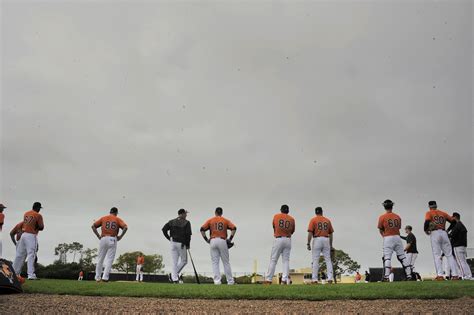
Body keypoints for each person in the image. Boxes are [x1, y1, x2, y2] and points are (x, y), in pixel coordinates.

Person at [377, 200, 412, 281]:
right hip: (397, 237)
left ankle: (386, 277)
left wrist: (384, 237)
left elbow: (381, 230)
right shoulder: (397, 216)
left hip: (388, 237)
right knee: (402, 257)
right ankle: (409, 275)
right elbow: (398, 227)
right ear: (392, 206)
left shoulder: (382, 217)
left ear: (384, 206)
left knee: (387, 258)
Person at [200, 207, 237, 285]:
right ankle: (230, 281)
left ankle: (217, 281)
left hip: (213, 240)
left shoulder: (210, 220)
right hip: (222, 240)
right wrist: (230, 239)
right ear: (221, 213)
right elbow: (234, 228)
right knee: (226, 262)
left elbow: (202, 229)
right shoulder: (225, 220)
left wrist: (206, 239)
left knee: (215, 262)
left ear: (215, 212)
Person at [424, 201, 459, 280]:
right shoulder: (443, 213)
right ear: (436, 206)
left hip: (435, 233)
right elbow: (453, 222)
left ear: (429, 207)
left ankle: (440, 275)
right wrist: (448, 230)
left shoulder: (429, 213)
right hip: (444, 232)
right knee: (449, 255)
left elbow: (426, 222)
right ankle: (455, 275)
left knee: (437, 255)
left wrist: (425, 230)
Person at [91, 207, 128, 282]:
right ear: (116, 213)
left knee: (100, 259)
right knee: (109, 259)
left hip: (103, 238)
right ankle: (105, 277)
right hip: (112, 239)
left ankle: (97, 278)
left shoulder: (103, 218)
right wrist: (120, 236)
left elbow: (93, 226)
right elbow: (125, 227)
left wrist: (98, 235)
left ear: (110, 212)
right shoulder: (117, 219)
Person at [264, 204, 295, 285]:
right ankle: (284, 280)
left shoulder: (276, 216)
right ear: (288, 211)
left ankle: (269, 279)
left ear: (281, 210)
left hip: (279, 238)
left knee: (273, 260)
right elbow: (292, 231)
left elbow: (274, 227)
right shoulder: (292, 219)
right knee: (286, 261)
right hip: (288, 239)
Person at [13, 202, 44, 280]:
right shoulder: (38, 215)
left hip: (23, 235)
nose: (39, 210)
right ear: (37, 208)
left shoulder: (26, 213)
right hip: (31, 235)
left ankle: (14, 273)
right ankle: (31, 275)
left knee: (19, 255)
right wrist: (36, 226)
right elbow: (41, 227)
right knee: (31, 255)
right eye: (39, 208)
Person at [162, 209, 191, 284]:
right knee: (184, 261)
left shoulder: (171, 221)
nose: (186, 215)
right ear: (181, 214)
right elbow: (188, 235)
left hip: (173, 242)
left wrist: (169, 238)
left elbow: (164, 229)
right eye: (185, 214)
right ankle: (173, 275)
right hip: (181, 243)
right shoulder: (187, 222)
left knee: (174, 262)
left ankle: (174, 278)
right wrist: (188, 245)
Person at [307, 207, 335, 284]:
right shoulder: (327, 220)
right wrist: (331, 245)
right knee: (328, 260)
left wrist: (308, 243)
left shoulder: (313, 220)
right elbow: (331, 233)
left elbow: (310, 233)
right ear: (322, 212)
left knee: (315, 260)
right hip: (326, 239)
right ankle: (330, 279)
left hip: (317, 239)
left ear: (315, 212)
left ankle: (315, 279)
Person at [449, 212, 472, 280]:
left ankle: (463, 276)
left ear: (455, 217)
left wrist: (447, 234)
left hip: (457, 246)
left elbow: (452, 235)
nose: (452, 218)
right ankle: (469, 276)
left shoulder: (457, 226)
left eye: (452, 217)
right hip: (463, 246)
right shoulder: (462, 225)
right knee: (464, 262)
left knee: (460, 262)